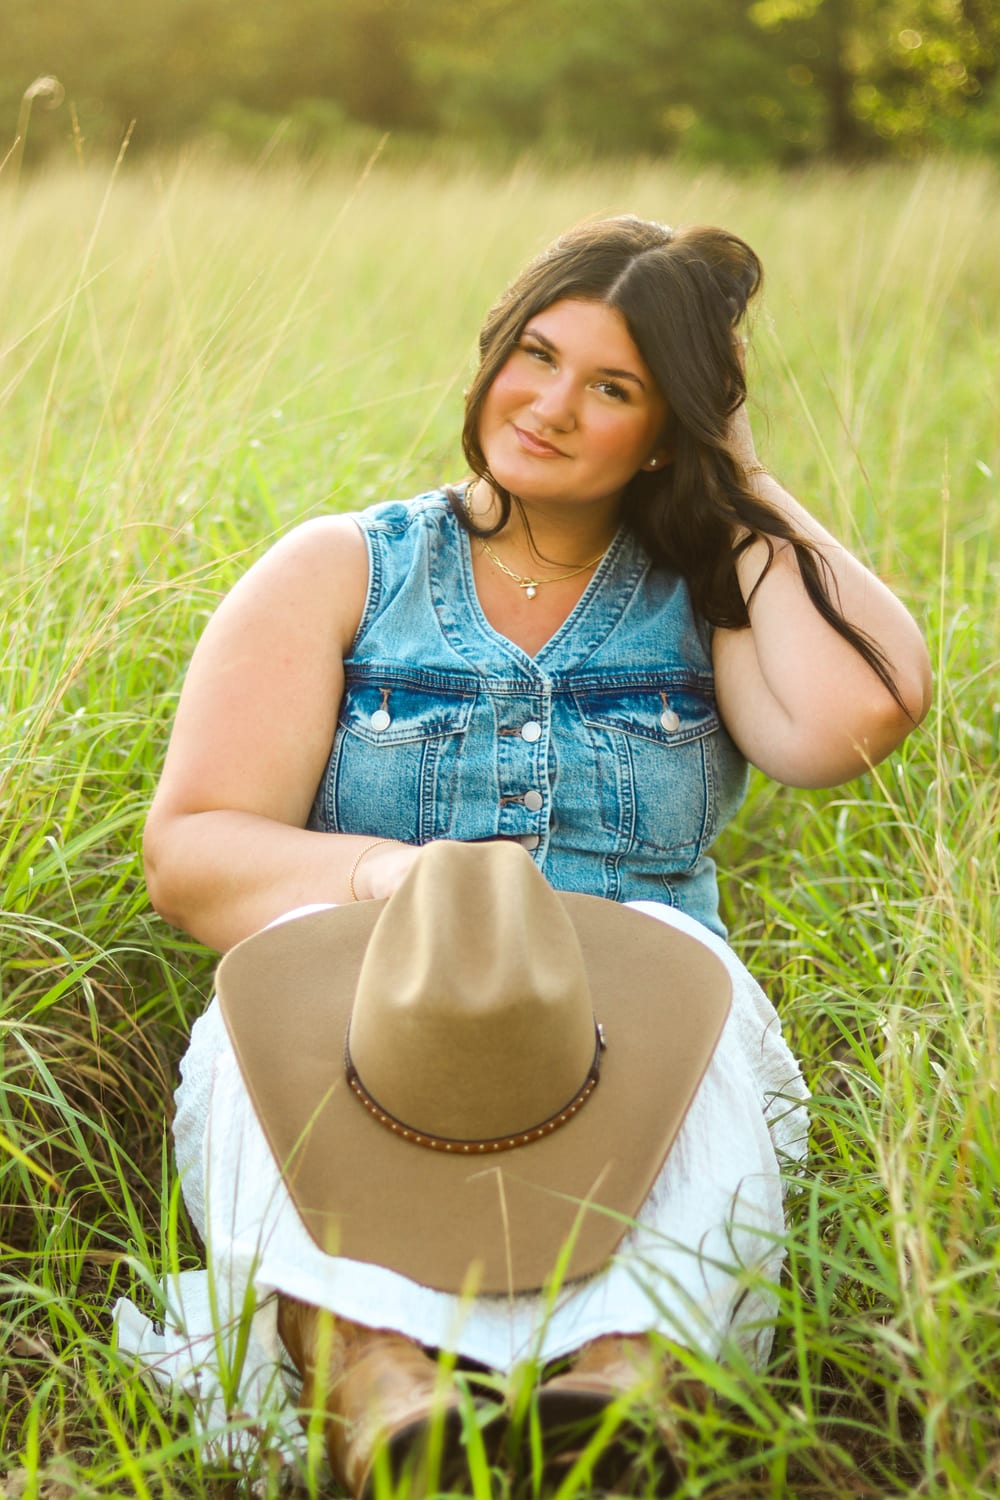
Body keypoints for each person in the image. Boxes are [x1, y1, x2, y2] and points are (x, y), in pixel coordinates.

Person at [118, 216, 931, 1496]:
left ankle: (620, 1393)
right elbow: (195, 851)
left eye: (613, 388)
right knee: (254, 1018)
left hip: (641, 1012)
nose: (549, 406)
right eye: (536, 355)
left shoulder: (708, 587)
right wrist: (400, 881)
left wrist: (738, 482)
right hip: (371, 985)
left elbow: (864, 710)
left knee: (703, 1002)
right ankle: (376, 1383)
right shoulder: (344, 568)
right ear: (492, 352)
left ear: (670, 427)